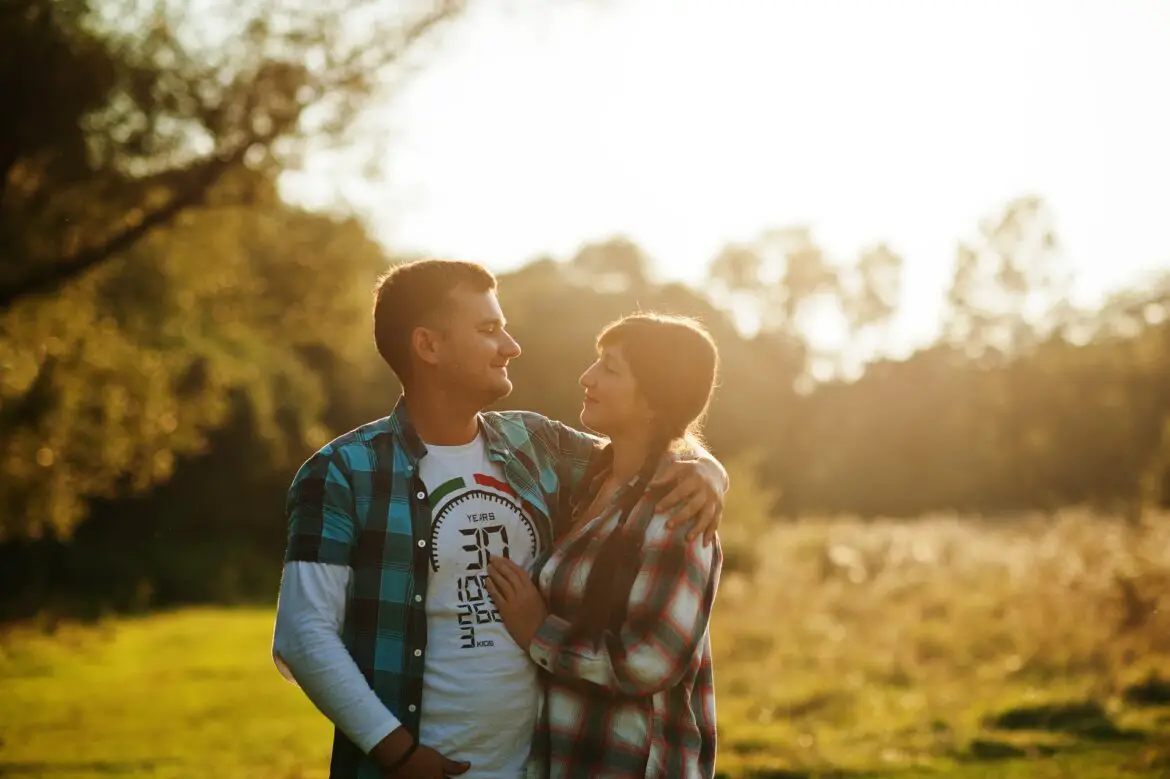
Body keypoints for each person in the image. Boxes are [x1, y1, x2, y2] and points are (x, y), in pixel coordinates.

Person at [271, 260, 729, 779]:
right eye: (489, 330)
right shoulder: (342, 473)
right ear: (429, 346)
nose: (511, 346)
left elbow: (646, 447)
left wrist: (707, 470)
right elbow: (303, 635)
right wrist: (397, 754)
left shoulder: (534, 445)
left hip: (538, 765)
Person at [486, 313, 724, 779]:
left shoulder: (676, 511)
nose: (587, 377)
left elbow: (650, 660)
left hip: (631, 762)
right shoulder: (589, 477)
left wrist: (539, 632)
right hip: (569, 756)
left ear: (656, 402)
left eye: (610, 369)